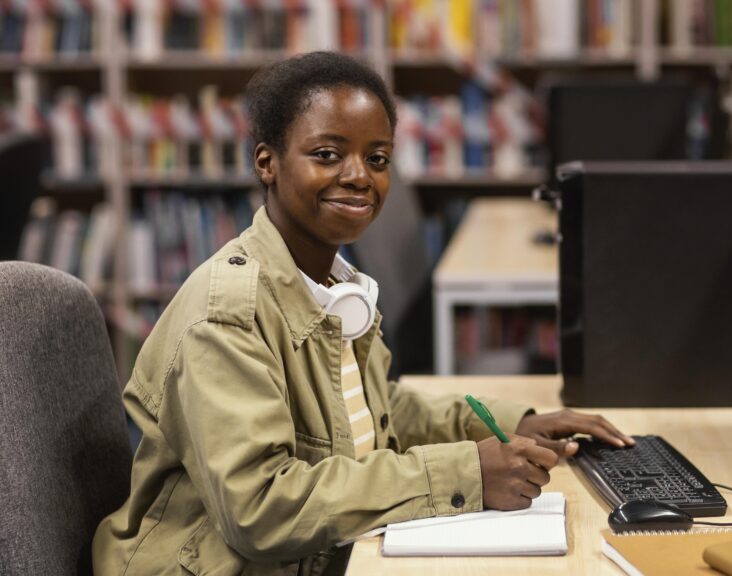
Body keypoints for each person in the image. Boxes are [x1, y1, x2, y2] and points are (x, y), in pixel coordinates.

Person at [92, 51, 633, 575]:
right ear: (267, 163)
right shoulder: (226, 315)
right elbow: (260, 508)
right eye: (327, 154)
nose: (359, 176)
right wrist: (466, 471)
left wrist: (521, 422)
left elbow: (378, 413)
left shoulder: (333, 286)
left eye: (377, 159)